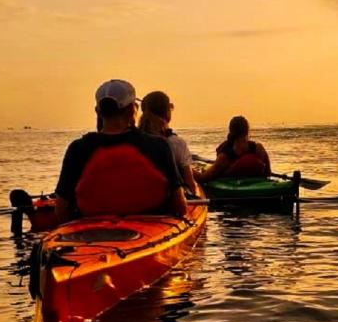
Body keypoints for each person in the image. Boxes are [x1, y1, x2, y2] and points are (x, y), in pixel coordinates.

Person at [53, 79, 188, 223]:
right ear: (132, 109)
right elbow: (180, 206)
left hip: (89, 233)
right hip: (150, 227)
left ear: (97, 111)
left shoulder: (78, 149)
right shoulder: (158, 146)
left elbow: (61, 210)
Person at [138, 91, 201, 195]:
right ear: (167, 112)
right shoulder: (176, 143)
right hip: (170, 200)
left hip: (142, 198)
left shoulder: (134, 139)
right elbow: (190, 184)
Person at [199, 115, 271, 182]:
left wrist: (189, 170)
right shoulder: (259, 149)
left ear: (230, 131)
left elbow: (203, 178)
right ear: (247, 131)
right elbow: (268, 173)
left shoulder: (224, 157)